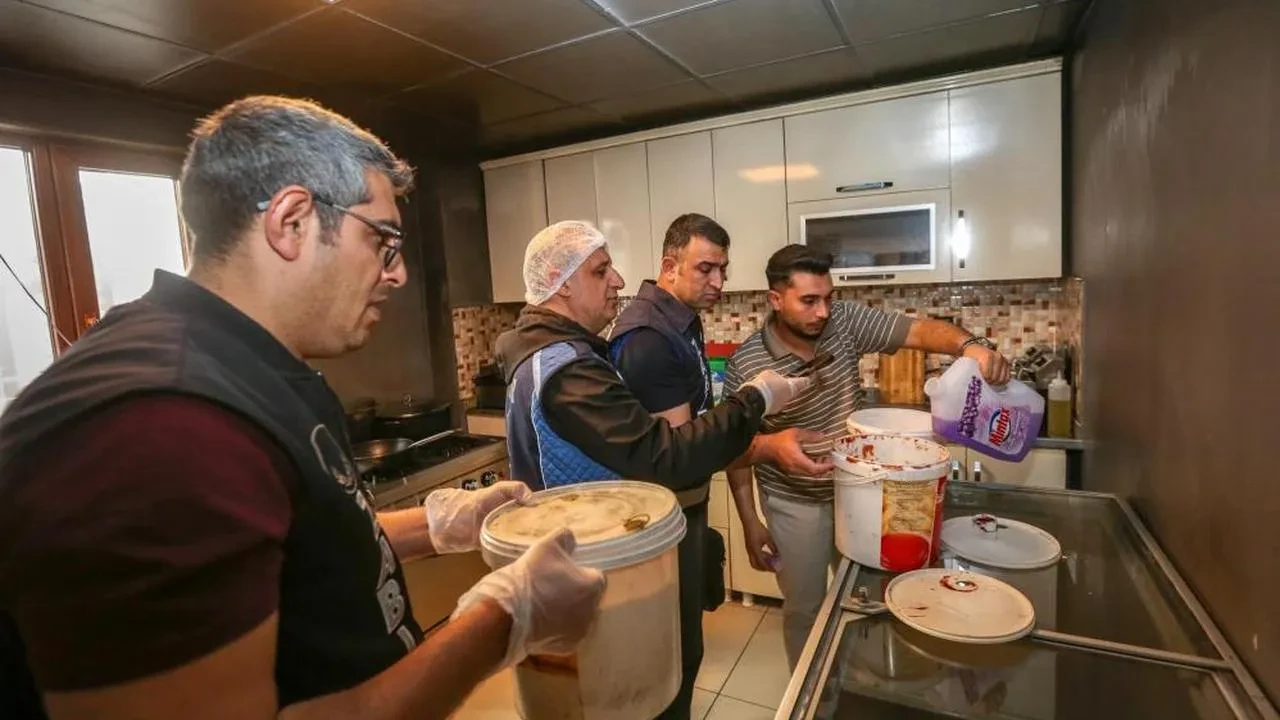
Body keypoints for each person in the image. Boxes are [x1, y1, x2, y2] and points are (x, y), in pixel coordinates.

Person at [0, 96, 604, 720]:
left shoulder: (245, 366)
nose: (397, 275)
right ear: (292, 221)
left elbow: (288, 544)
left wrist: (437, 524)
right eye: (384, 241)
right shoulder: (160, 427)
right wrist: (505, 618)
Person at [724, 244, 1012, 669]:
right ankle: (811, 702)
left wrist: (969, 346)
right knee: (804, 609)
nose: (823, 312)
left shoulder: (844, 322)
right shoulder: (747, 363)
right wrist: (751, 522)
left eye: (828, 298)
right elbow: (735, 451)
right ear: (775, 300)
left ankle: (856, 684)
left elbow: (918, 331)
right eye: (809, 301)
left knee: (867, 596)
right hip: (792, 503)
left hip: (860, 493)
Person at [608, 214, 832, 718]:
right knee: (671, 656)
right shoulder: (648, 337)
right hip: (661, 521)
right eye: (706, 268)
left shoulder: (680, 319)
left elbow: (699, 422)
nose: (718, 283)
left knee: (685, 645)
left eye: (723, 269)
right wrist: (769, 436)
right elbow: (682, 448)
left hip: (684, 510)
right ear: (670, 265)